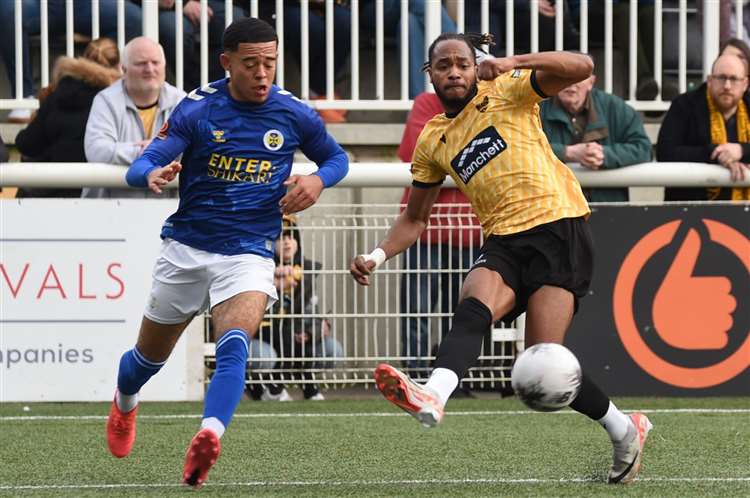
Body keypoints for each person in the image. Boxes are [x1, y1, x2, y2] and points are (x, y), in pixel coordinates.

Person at [350, 33, 652, 484]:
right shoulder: (434, 139)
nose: (453, 71)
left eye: (462, 63)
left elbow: (581, 66)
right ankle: (433, 394)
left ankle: (625, 429)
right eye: (442, 65)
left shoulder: (508, 88)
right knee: (473, 305)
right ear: (428, 74)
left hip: (557, 227)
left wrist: (513, 62)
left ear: (476, 67)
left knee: (544, 367)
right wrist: (376, 255)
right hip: (503, 242)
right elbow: (414, 219)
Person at [105, 17, 348, 488]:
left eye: (270, 64)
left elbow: (336, 158)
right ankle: (124, 402)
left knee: (236, 341)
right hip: (187, 248)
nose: (262, 74)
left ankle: (209, 434)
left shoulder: (293, 113)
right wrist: (150, 175)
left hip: (250, 251)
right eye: (251, 63)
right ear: (227, 62)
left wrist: (317, 180)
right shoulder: (198, 110)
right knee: (146, 361)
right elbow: (144, 164)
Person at [397, 92, 482, 377]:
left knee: (462, 316)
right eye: (446, 66)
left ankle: (455, 376)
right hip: (424, 230)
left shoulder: (488, 103)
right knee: (416, 312)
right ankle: (415, 375)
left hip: (470, 231)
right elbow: (416, 153)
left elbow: (492, 161)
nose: (455, 74)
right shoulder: (425, 103)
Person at [0, 0, 142, 122]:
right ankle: (24, 97)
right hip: (38, 4)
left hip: (86, 4)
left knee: (133, 19)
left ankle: (104, 90)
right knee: (9, 10)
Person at [14, 38, 122, 198]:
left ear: (84, 59)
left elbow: (27, 144)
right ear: (119, 66)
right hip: (97, 193)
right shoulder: (117, 100)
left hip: (51, 191)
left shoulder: (56, 93)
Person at [253, 214, 344, 401]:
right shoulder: (256, 268)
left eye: (291, 236)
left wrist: (311, 333)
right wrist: (272, 285)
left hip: (294, 335)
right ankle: (268, 386)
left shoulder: (306, 271)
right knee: (269, 353)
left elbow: (314, 313)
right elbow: (252, 314)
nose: (287, 242)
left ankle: (281, 387)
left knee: (332, 350)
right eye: (280, 237)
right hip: (259, 335)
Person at [83, 37, 185, 198]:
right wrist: (148, 151)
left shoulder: (182, 101)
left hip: (166, 210)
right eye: (141, 63)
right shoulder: (106, 100)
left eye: (155, 62)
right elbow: (97, 150)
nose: (150, 69)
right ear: (123, 69)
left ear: (164, 66)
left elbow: (194, 149)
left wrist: (145, 151)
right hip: (110, 211)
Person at [539, 68, 652, 202]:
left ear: (591, 82)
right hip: (553, 206)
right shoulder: (536, 108)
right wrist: (566, 152)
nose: (570, 83)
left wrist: (605, 155)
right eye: (563, 76)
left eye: (578, 77)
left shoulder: (616, 108)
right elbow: (520, 148)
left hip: (608, 206)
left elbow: (644, 148)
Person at [657, 53, 750, 201]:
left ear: (745, 84)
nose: (727, 86)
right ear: (710, 80)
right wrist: (716, 154)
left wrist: (742, 150)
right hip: (691, 212)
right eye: (721, 78)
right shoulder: (684, 105)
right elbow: (665, 153)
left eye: (733, 79)